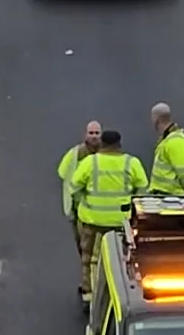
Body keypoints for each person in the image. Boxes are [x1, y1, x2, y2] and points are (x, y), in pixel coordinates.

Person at [69, 129, 148, 302]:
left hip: (92, 220)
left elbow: (73, 187)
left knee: (89, 259)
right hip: (122, 222)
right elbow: (143, 189)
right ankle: (123, 293)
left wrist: (83, 202)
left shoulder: (91, 162)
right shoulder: (131, 163)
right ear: (119, 145)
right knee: (123, 259)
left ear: (102, 144)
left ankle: (89, 296)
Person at [56, 121, 105, 295]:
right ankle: (90, 284)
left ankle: (89, 289)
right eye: (91, 133)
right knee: (85, 251)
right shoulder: (75, 154)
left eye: (97, 133)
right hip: (79, 212)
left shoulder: (106, 156)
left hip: (97, 214)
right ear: (85, 134)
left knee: (90, 254)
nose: (93, 136)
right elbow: (63, 174)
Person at [150, 103, 184, 196]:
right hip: (166, 196)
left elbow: (183, 172)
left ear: (156, 119)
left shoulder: (176, 141)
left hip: (174, 198)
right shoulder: (168, 140)